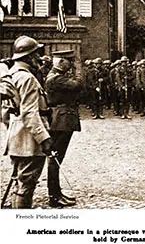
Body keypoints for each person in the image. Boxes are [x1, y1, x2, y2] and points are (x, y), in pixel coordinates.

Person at [2, 36, 53, 208]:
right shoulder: (27, 78)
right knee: (26, 185)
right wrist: (44, 138)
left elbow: (5, 113)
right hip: (30, 142)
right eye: (37, 54)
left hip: (18, 138)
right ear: (29, 57)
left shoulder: (11, 76)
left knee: (20, 182)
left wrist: (13, 129)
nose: (39, 58)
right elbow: (30, 113)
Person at [45, 50, 82, 208]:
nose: (71, 64)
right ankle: (54, 196)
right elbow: (78, 85)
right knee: (55, 160)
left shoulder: (56, 76)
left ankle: (57, 193)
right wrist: (80, 69)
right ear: (60, 62)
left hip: (62, 118)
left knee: (56, 159)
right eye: (69, 61)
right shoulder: (56, 78)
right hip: (61, 119)